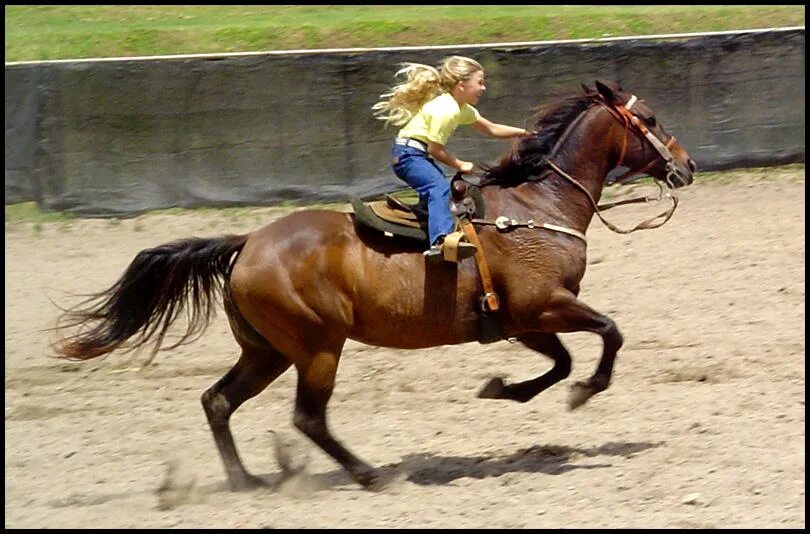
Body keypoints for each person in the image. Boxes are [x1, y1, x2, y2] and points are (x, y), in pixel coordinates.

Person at [373, 55, 531, 260]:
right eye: (480, 82)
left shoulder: (461, 108)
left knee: (437, 190)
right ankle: (441, 242)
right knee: (438, 189)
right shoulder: (445, 110)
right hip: (409, 156)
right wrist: (460, 164)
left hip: (414, 155)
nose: (483, 88)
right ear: (461, 85)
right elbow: (435, 150)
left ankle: (424, 228)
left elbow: (492, 129)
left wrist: (525, 133)